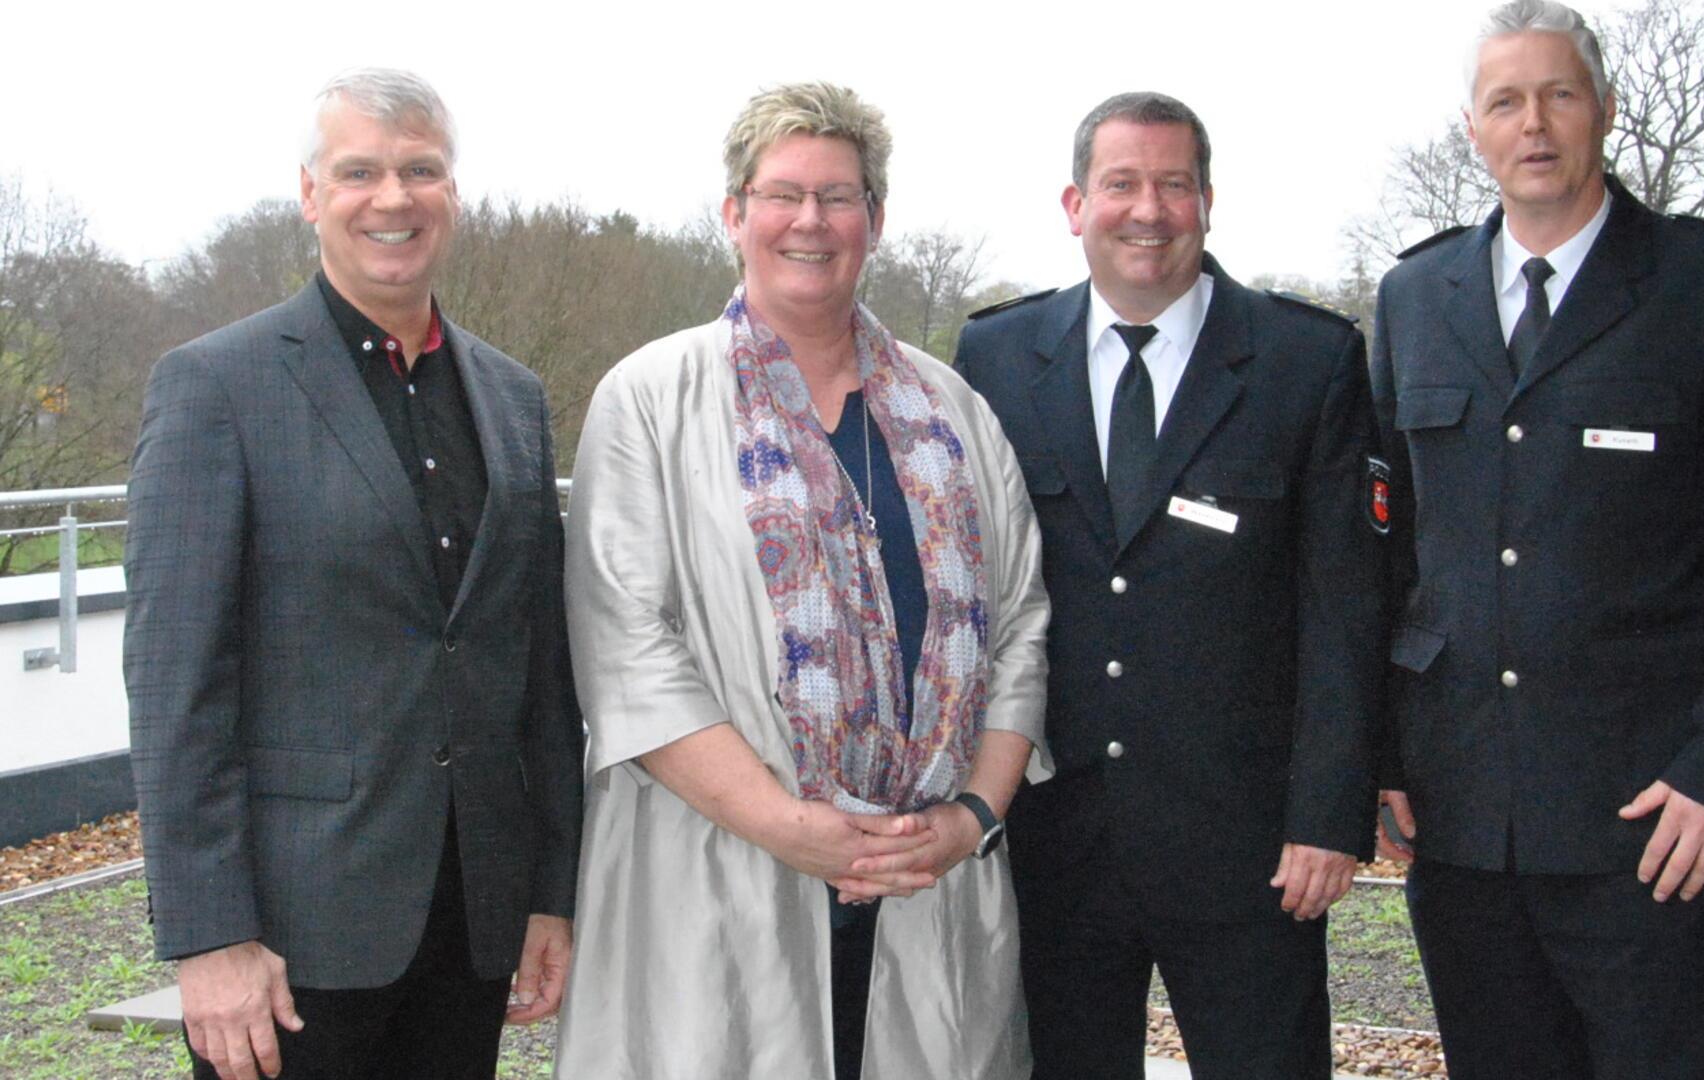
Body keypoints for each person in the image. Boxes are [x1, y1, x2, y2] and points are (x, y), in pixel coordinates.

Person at [1370, 3, 1704, 1076]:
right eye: (1506, 101)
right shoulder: (1412, 297)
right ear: (1474, 130)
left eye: (1560, 94)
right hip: (1464, 812)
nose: (1535, 124)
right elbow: (1388, 556)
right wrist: (1385, 755)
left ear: (1606, 112)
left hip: (1648, 813)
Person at [552, 82, 1048, 1080]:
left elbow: (1021, 624)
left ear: (875, 219)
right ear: (735, 215)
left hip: (926, 879)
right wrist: (794, 830)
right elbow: (628, 649)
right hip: (721, 871)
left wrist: (969, 822)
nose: (811, 222)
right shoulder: (649, 400)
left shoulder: (951, 410)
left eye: (840, 197)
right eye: (783, 194)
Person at [123, 68, 583, 1080]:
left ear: (453, 193)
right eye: (359, 171)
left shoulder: (511, 398)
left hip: (471, 926)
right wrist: (207, 940)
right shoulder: (216, 387)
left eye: (422, 170)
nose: (393, 197)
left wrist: (551, 889)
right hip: (291, 943)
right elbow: (175, 688)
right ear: (309, 194)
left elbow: (536, 669)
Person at [954, 91, 1389, 1079]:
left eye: (1173, 184)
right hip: (1054, 835)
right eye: (1121, 184)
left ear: (1207, 200)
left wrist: (1327, 815)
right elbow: (969, 587)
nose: (1147, 210)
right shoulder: (997, 357)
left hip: (1247, 848)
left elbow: (1344, 608)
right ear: (1075, 205)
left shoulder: (1305, 360)